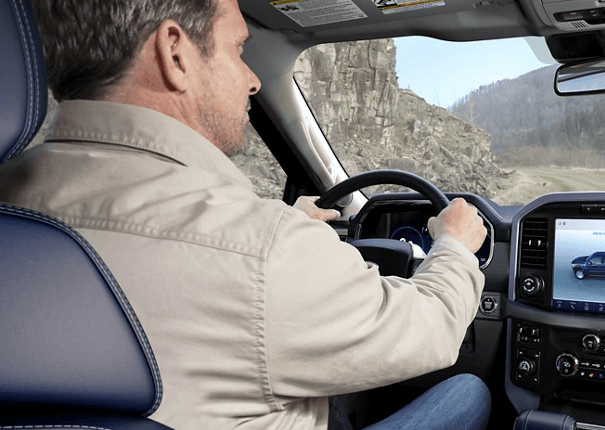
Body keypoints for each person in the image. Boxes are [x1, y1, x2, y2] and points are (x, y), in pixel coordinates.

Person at [0, 0, 490, 429]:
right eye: (238, 50)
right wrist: (454, 245)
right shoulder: (264, 251)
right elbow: (432, 328)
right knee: (470, 392)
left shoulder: (11, 200)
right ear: (175, 53)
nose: (253, 79)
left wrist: (284, 226)